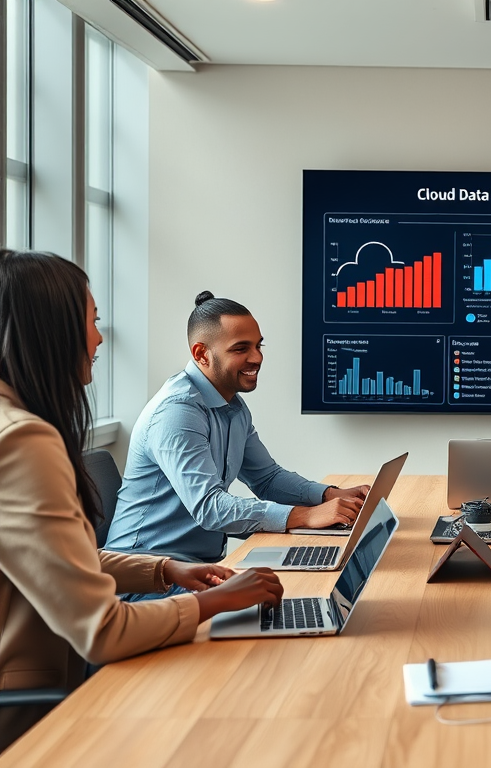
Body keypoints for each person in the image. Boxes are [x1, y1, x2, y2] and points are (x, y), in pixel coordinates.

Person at [0, 250, 283, 749]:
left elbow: (60, 560)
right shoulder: (22, 441)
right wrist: (213, 601)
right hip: (34, 713)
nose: (100, 338)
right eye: (92, 321)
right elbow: (102, 630)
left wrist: (163, 571)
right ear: (50, 329)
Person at [106, 292, 369, 567]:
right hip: (145, 577)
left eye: (258, 346)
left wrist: (329, 495)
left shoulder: (233, 406)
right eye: (241, 348)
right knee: (280, 597)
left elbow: (267, 478)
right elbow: (210, 508)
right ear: (201, 354)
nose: (256, 357)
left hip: (196, 568)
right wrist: (305, 516)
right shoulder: (177, 412)